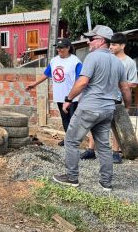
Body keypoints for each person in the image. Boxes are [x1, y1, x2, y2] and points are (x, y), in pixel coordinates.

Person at [53, 25, 131, 191]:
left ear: (101, 40)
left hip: (90, 107)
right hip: (107, 110)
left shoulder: (93, 57)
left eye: (91, 39)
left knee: (71, 141)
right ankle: (106, 182)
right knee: (104, 147)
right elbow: (125, 88)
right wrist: (127, 107)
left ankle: (71, 177)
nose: (88, 42)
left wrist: (68, 98)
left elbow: (82, 82)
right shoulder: (118, 63)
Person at [80, 32, 137, 163]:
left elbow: (133, 83)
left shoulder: (129, 63)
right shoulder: (106, 58)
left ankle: (116, 153)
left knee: (115, 126)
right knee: (94, 123)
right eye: (110, 44)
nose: (111, 47)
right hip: (100, 97)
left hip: (117, 99)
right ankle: (90, 150)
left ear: (122, 46)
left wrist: (119, 83)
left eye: (114, 44)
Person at [26, 38, 82, 146]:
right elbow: (46, 74)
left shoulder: (75, 61)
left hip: (72, 96)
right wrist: (34, 84)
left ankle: (73, 141)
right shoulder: (54, 60)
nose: (59, 50)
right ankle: (68, 139)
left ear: (68, 48)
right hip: (60, 96)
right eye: (58, 48)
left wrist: (72, 96)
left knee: (73, 120)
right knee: (65, 119)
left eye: (62, 48)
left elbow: (79, 79)